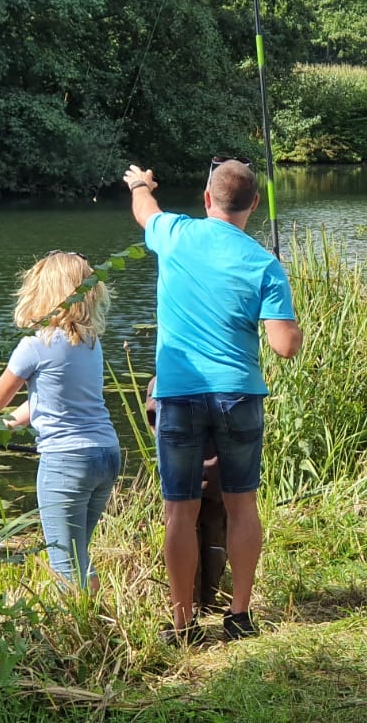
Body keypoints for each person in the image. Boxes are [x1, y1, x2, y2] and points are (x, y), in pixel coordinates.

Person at [122, 159, 302, 644]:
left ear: (206, 199)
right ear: (255, 206)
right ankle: (239, 616)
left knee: (178, 511)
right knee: (243, 505)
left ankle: (183, 624)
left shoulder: (175, 234)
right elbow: (284, 346)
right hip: (239, 394)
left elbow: (145, 210)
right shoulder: (264, 262)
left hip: (178, 394)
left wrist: (141, 183)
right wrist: (294, 326)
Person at [0, 251, 121, 592]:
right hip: (105, 454)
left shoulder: (36, 345)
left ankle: (75, 639)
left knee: (63, 562)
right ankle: (95, 625)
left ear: (42, 292)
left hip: (66, 462)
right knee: (79, 555)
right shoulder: (90, 343)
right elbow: (43, 405)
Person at [144, 376, 229, 614]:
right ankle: (210, 597)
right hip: (216, 475)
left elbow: (154, 419)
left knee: (184, 529)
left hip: (181, 476)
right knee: (215, 535)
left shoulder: (163, 378)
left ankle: (189, 602)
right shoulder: (221, 373)